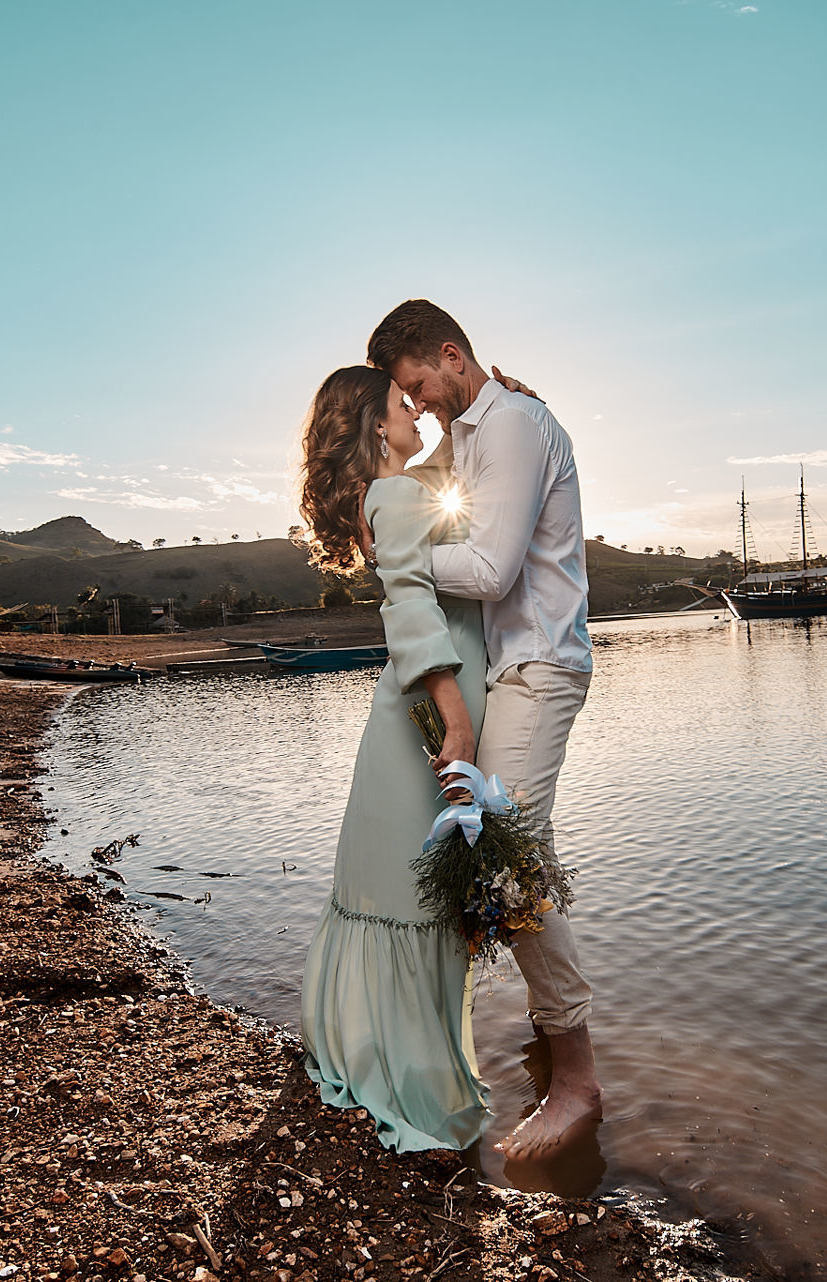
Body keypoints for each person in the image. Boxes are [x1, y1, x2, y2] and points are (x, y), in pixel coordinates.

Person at [367, 299, 601, 1161]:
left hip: (541, 664)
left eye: (421, 385)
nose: (420, 405)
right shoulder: (483, 425)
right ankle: (544, 1045)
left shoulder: (511, 423)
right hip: (512, 667)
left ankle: (575, 1082)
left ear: (453, 354)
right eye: (408, 397)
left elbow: (494, 567)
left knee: (508, 853)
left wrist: (396, 557)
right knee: (495, 855)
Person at [295, 365, 491, 1152]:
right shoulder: (400, 497)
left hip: (421, 705)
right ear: (377, 426)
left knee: (401, 891)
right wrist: (457, 724)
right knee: (412, 897)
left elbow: (450, 468)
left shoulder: (398, 492)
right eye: (403, 403)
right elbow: (410, 605)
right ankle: (407, 1073)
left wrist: (487, 401)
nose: (416, 409)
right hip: (428, 711)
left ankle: (375, 1046)